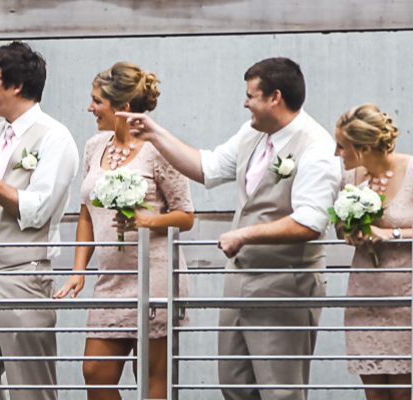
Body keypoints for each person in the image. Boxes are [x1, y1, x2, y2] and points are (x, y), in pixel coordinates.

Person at [118, 57, 340, 400]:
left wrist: (244, 234)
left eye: (251, 95)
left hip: (285, 284)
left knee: (280, 391)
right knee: (235, 383)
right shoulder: (252, 132)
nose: (244, 102)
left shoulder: (316, 147)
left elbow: (310, 222)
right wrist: (153, 133)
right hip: (240, 281)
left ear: (275, 97)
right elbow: (207, 167)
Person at [53, 62, 193, 400]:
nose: (90, 108)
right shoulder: (93, 147)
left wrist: (148, 222)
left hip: (153, 275)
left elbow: (186, 216)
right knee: (96, 372)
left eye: (96, 101)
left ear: (123, 108)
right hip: (110, 280)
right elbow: (85, 213)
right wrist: (78, 270)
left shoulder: (161, 149)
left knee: (149, 378)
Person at [0, 41, 79, 400]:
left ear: (16, 86)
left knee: (31, 389)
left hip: (23, 277)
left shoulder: (56, 138)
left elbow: (36, 210)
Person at [332, 103, 411, 400]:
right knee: (374, 394)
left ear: (363, 149)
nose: (337, 154)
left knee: (404, 393)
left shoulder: (412, 170)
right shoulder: (351, 180)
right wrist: (351, 231)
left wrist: (389, 234)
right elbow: (340, 229)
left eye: (341, 146)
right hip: (365, 296)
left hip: (405, 300)